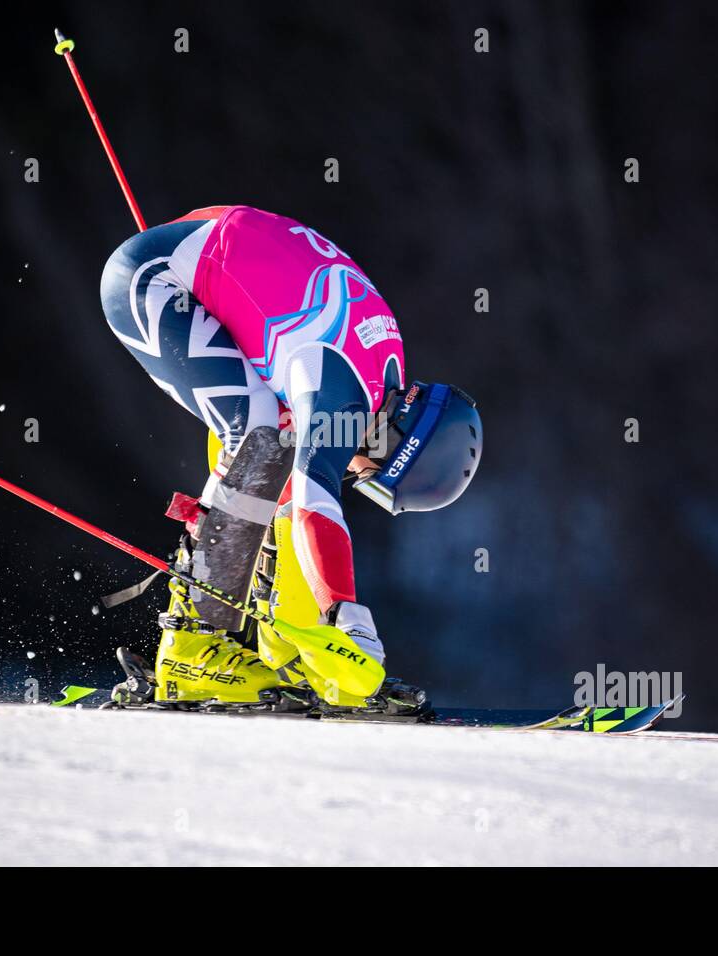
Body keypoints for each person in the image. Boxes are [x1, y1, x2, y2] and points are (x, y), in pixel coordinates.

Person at [99, 205, 481, 715]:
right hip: (153, 281)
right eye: (376, 480)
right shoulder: (344, 397)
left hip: (193, 257)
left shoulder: (382, 374)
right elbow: (314, 503)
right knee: (262, 433)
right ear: (396, 443)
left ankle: (288, 654)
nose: (358, 477)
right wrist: (343, 613)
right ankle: (191, 650)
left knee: (278, 437)